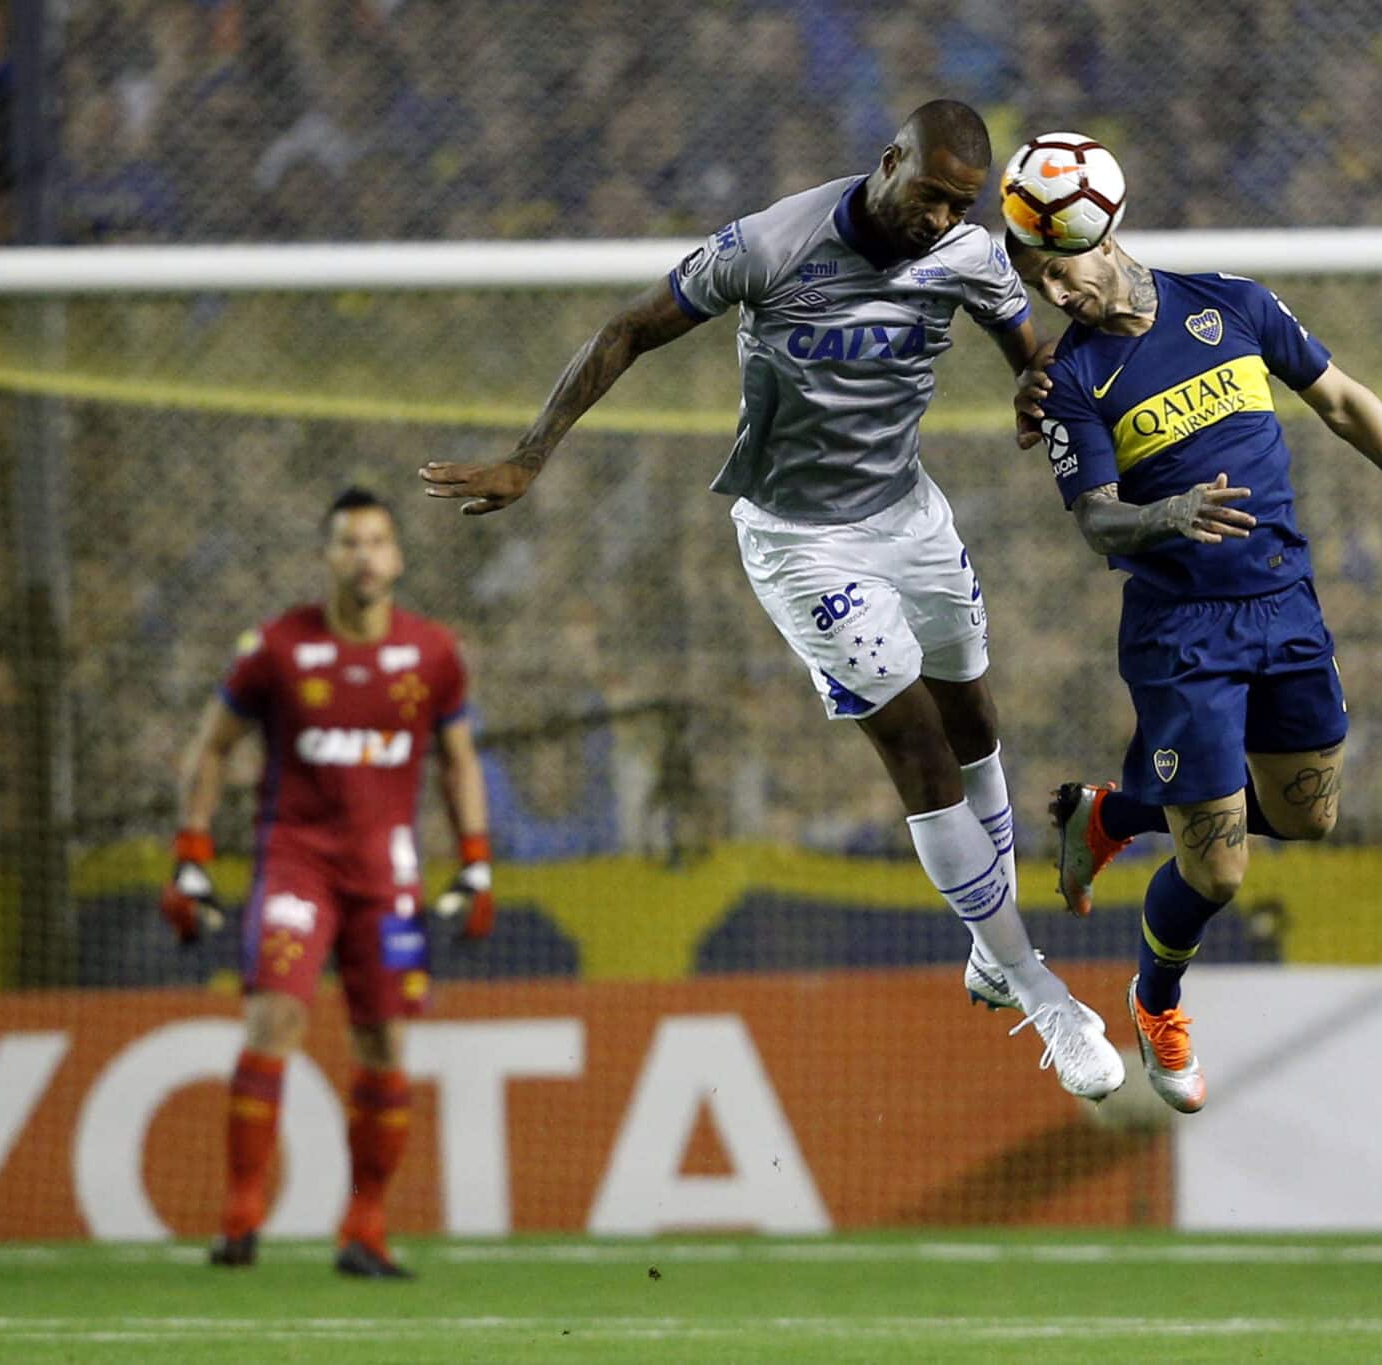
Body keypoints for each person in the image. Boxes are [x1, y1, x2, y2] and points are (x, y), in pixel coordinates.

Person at [417, 100, 1124, 1101]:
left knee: (972, 713)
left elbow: (1029, 354)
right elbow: (630, 328)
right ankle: (1042, 993)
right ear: (889, 161)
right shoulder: (772, 245)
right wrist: (530, 457)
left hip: (909, 513)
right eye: (928, 195)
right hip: (802, 542)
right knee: (916, 745)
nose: (938, 219)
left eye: (958, 205)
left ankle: (988, 943)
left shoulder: (965, 255)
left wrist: (1035, 390)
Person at [1005, 179, 1382, 1113]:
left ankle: (1115, 814)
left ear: (1107, 234)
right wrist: (1167, 513)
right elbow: (1095, 519)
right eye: (1037, 283)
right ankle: (1155, 999)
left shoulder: (1234, 305)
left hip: (1287, 605)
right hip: (1183, 635)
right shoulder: (1071, 381)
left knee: (1308, 818)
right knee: (1218, 870)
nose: (1057, 294)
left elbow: (1343, 400)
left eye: (1062, 269)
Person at [162, 487, 495, 1277]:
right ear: (327, 555)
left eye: (377, 541)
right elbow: (211, 745)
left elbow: (458, 760)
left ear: (398, 557)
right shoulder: (277, 647)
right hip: (297, 862)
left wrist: (476, 859)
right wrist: (191, 848)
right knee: (275, 1016)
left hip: (388, 875)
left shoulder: (434, 653)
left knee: (384, 1043)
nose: (364, 556)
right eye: (349, 541)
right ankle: (241, 1214)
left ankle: (365, 1229)